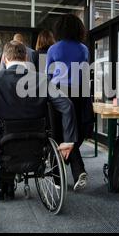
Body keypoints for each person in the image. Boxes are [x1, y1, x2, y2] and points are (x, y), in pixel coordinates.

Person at [0, 41, 78, 200]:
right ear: (26, 57)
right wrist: (69, 140)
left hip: (3, 140)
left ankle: (3, 184)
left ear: (5, 59)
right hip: (36, 141)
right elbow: (67, 106)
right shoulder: (42, 80)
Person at [46, 14, 94, 192]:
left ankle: (58, 178)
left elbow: (48, 75)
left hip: (59, 91)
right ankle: (77, 170)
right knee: (74, 132)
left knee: (58, 133)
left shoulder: (54, 49)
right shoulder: (83, 49)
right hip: (80, 92)